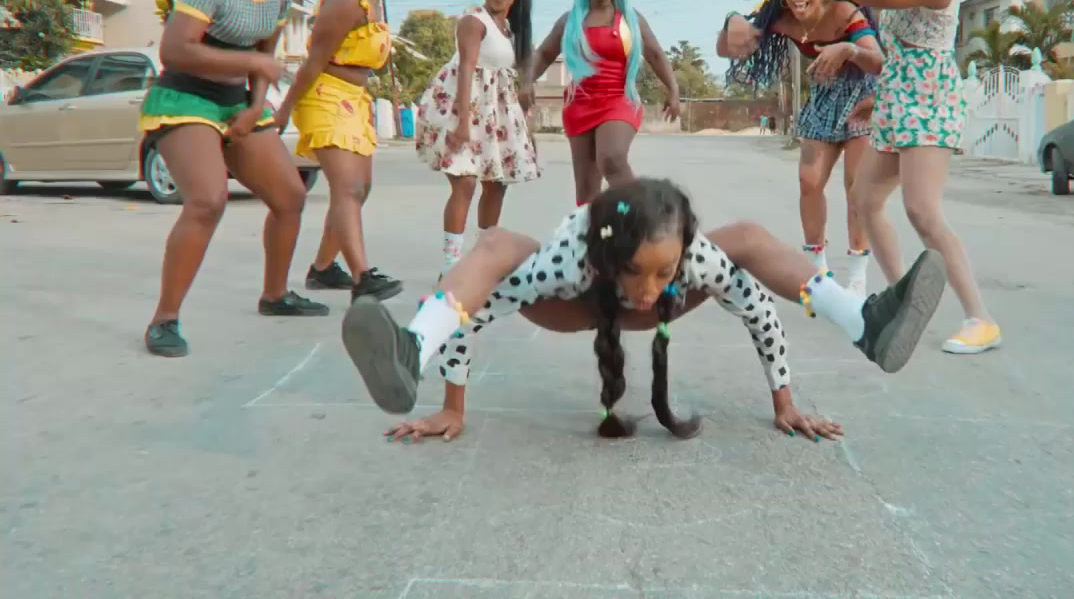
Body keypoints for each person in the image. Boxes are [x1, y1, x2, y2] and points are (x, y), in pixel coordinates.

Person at [338, 178, 949, 443]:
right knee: (495, 245)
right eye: (637, 271)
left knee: (749, 238)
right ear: (608, 262)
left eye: (664, 269)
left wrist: (784, 402)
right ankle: (411, 350)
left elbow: (760, 311)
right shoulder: (567, 262)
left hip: (662, 297)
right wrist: (452, 406)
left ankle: (865, 323)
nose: (649, 287)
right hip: (573, 305)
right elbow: (472, 311)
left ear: (683, 252)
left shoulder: (697, 259)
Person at [137, 0, 326, 358]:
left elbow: (266, 52)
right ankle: (164, 319)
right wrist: (252, 64)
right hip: (185, 98)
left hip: (235, 100)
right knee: (207, 200)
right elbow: (176, 49)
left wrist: (254, 105)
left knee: (290, 197)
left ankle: (275, 295)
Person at [845, 0, 1000, 354]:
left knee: (923, 211)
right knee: (865, 198)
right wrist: (875, 93)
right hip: (898, 99)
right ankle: (903, 300)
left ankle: (981, 319)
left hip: (929, 100)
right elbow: (898, 51)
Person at [719, 0, 884, 295]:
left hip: (863, 97)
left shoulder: (845, 12)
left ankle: (857, 276)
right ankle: (816, 270)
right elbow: (726, 49)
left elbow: (878, 60)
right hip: (823, 95)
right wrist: (731, 21)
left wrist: (849, 50)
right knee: (809, 181)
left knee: (856, 187)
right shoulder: (781, 20)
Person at [275, 0, 404, 302]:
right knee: (347, 188)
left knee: (360, 190)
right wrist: (284, 110)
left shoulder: (374, 4)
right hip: (324, 96)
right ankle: (363, 277)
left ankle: (323, 268)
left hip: (354, 99)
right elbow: (313, 62)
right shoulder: (346, 2)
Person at [518, 0, 680, 206]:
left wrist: (673, 89)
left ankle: (643, 215)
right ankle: (597, 229)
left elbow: (656, 54)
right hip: (579, 105)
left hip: (619, 100)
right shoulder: (570, 21)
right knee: (586, 190)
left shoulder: (630, 20)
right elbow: (544, 53)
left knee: (612, 159)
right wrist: (527, 82)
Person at [417, 0, 541, 279]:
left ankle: (483, 258)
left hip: (495, 113)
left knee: (496, 185)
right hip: (465, 105)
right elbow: (466, 67)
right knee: (465, 183)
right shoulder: (474, 20)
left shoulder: (511, 29)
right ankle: (451, 266)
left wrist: (526, 124)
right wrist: (461, 121)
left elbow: (512, 77)